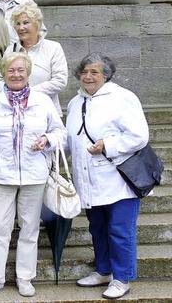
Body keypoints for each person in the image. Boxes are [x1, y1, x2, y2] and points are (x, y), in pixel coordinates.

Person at [0, 52, 66, 298]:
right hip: (2, 175)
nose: (16, 75)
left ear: (28, 74)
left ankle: (25, 277)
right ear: (4, 74)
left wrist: (47, 140)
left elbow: (61, 134)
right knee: (0, 228)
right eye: (11, 71)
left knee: (29, 228)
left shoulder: (43, 101)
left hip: (34, 175)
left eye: (21, 70)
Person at [66, 53, 148, 300]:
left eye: (94, 72)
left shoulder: (122, 98)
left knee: (120, 230)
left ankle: (122, 278)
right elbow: (71, 139)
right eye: (84, 72)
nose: (88, 76)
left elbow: (139, 136)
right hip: (89, 180)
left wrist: (108, 144)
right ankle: (104, 270)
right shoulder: (74, 103)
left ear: (106, 75)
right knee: (97, 228)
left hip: (119, 180)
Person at [0, 2, 67, 114]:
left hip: (45, 111)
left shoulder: (53, 48)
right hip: (14, 111)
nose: (21, 27)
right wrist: (7, 94)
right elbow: (0, 79)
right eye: (17, 24)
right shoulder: (10, 50)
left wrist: (28, 93)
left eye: (26, 22)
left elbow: (60, 81)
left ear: (37, 24)